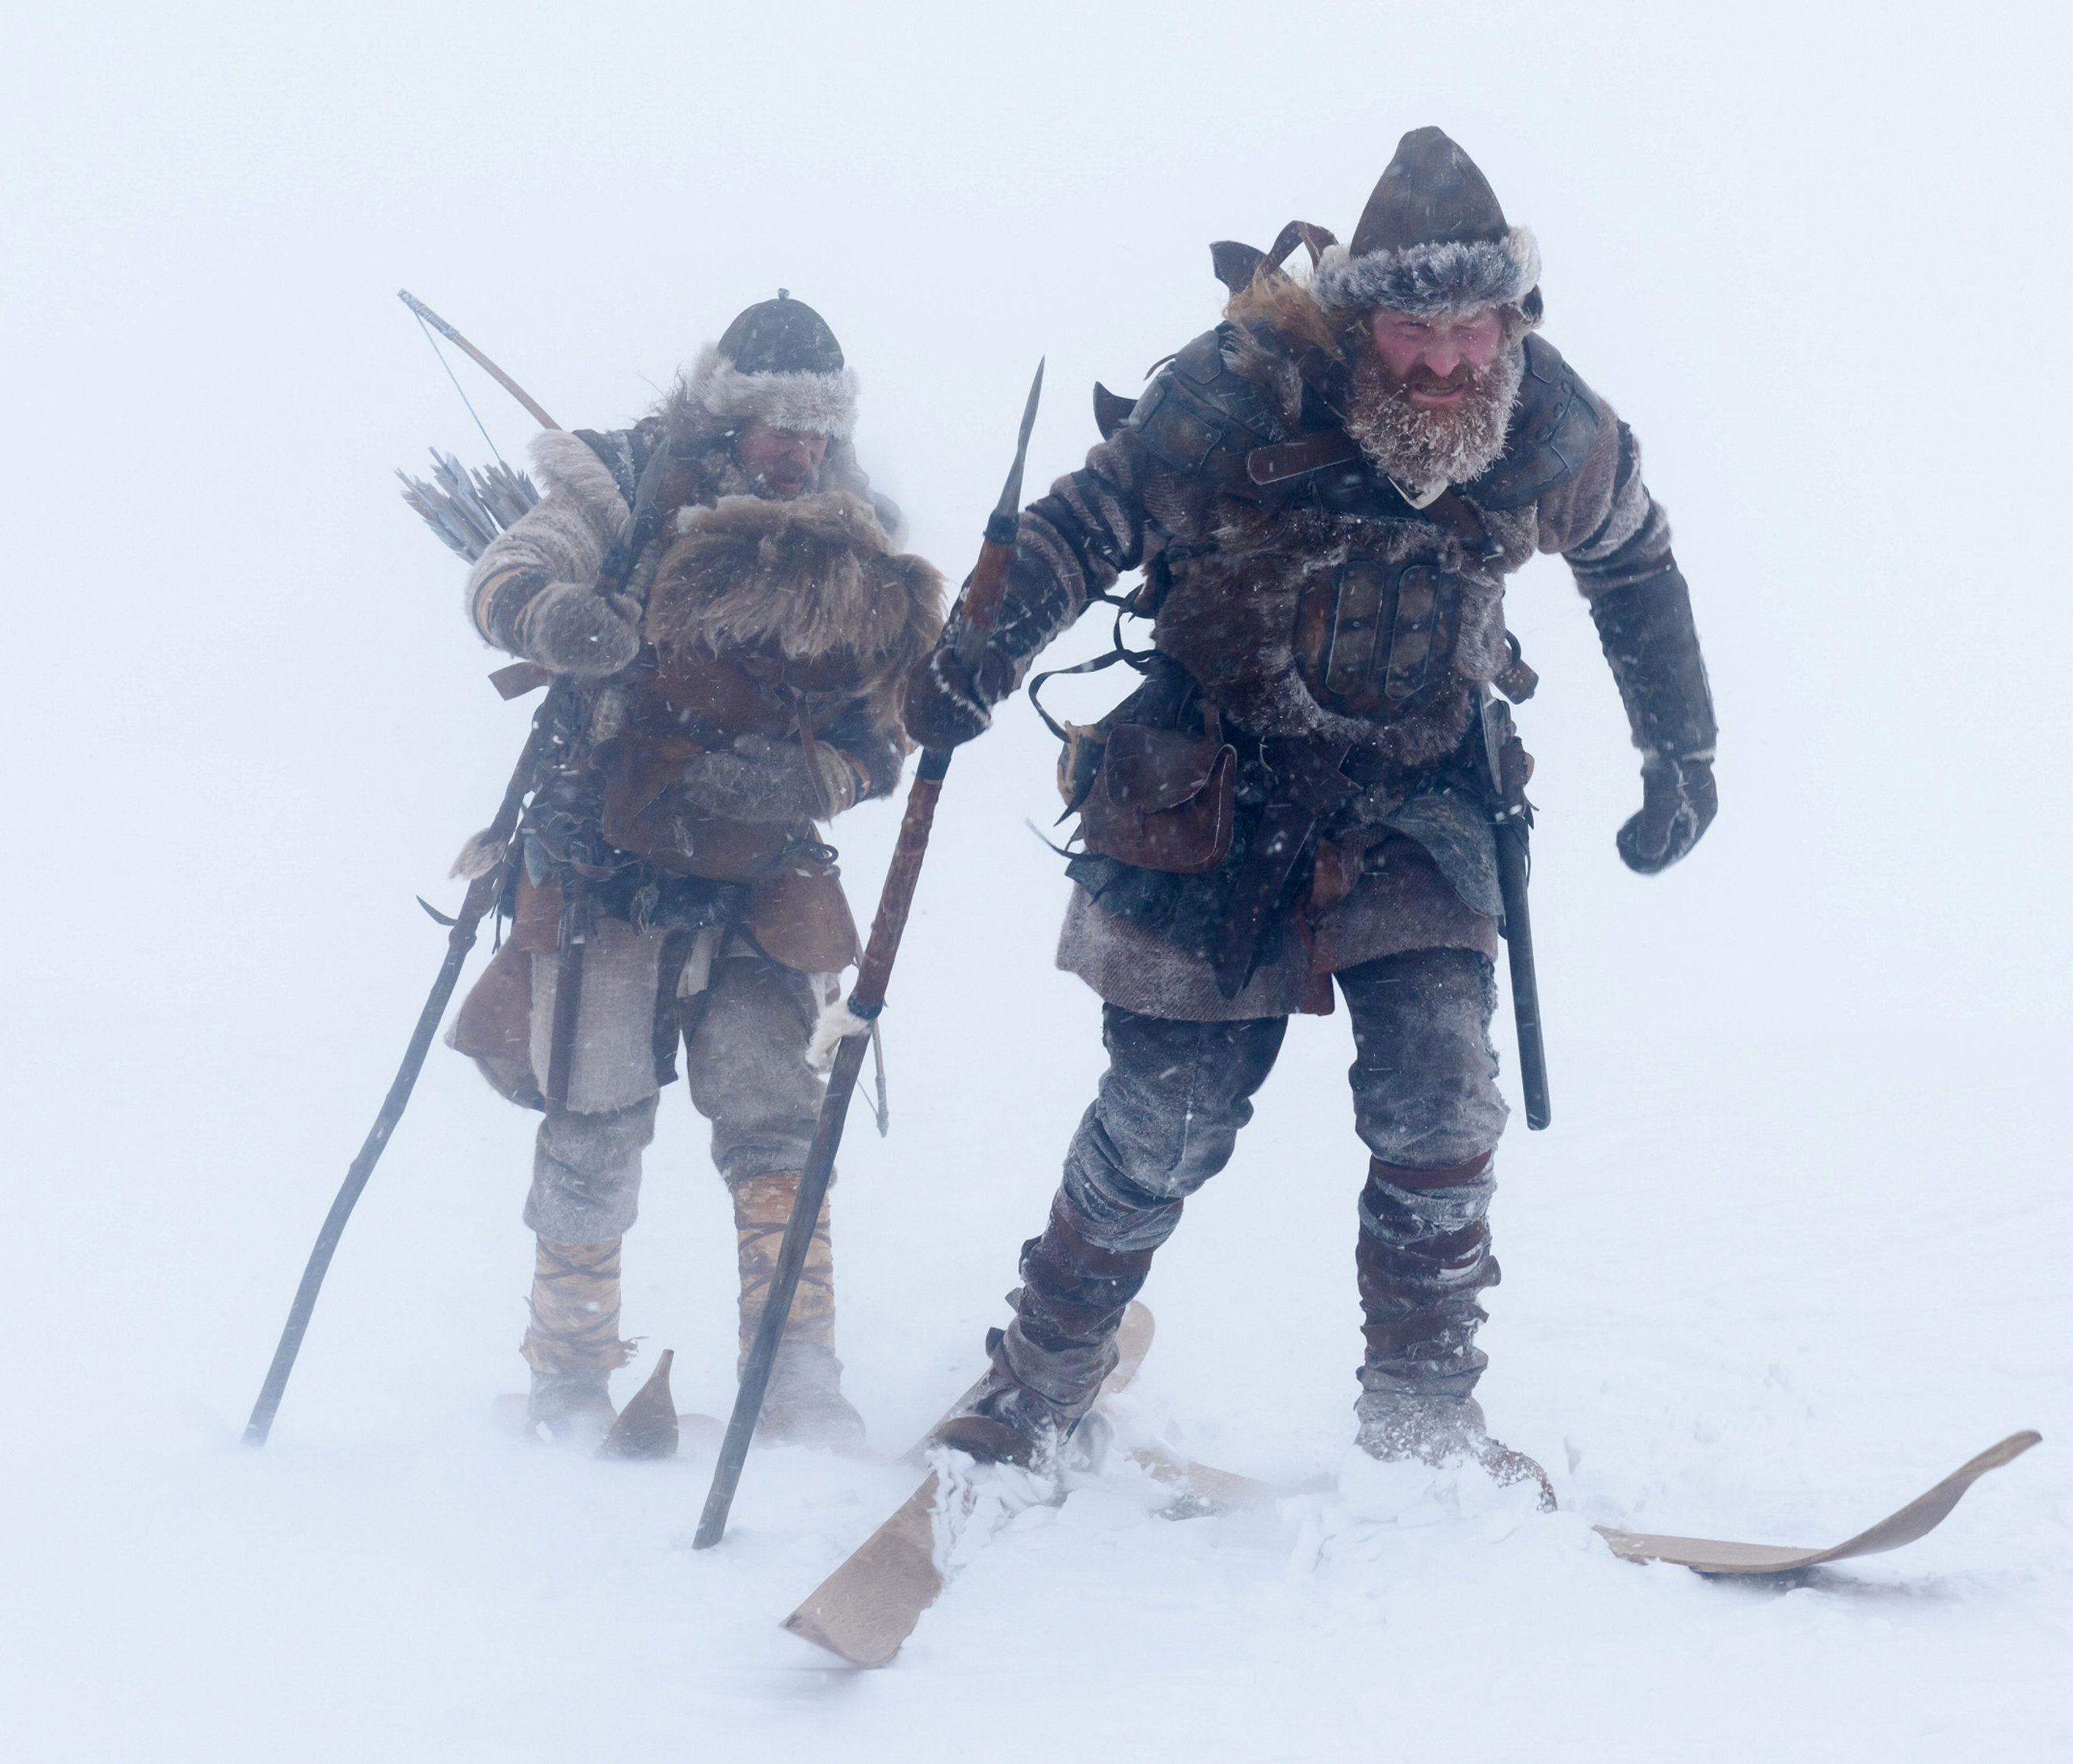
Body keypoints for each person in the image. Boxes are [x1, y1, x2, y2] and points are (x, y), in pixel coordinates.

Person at [902, 129, 1716, 1493]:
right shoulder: (1243, 390)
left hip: (1423, 796)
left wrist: (1678, 746)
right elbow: (1089, 516)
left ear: (1511, 317)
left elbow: (1632, 559)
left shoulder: (1545, 416)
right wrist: (979, 651)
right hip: (1213, 790)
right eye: (1417, 330)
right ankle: (1039, 1379)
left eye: (1476, 327)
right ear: (1360, 318)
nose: (1451, 361)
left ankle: (1421, 1421)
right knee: (1165, 1119)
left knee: (1441, 1095)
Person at [449, 294, 943, 1445]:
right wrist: (560, 616)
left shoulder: (856, 529)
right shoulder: (618, 486)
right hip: (604, 860)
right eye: (780, 423)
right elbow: (505, 575)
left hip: (767, 876)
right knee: (593, 1110)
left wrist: (824, 781)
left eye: (819, 426)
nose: (801, 447)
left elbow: (891, 718)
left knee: (777, 1119)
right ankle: (567, 1376)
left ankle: (792, 1372)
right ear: (728, 410)